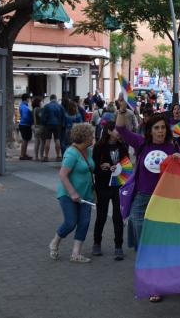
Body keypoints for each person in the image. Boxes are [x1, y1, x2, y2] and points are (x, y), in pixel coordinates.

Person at [116, 104, 179, 303]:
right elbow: (121, 130)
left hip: (164, 200)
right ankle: (151, 275)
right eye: (156, 128)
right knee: (143, 240)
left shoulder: (173, 147)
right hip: (142, 199)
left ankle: (155, 284)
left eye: (163, 128)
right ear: (150, 131)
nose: (160, 131)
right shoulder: (142, 144)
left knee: (156, 243)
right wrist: (121, 111)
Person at [48, 123, 96, 263]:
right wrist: (73, 192)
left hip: (86, 194)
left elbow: (90, 168)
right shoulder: (71, 153)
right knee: (70, 222)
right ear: (85, 137)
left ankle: (76, 253)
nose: (93, 137)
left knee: (84, 222)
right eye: (91, 135)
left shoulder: (88, 150)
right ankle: (55, 242)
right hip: (69, 194)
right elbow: (63, 174)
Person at [91, 121, 128, 260]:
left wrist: (117, 167)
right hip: (103, 186)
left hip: (118, 186)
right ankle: (97, 243)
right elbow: (95, 169)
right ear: (109, 131)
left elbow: (127, 165)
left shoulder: (122, 146)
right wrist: (104, 168)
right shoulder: (99, 147)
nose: (119, 132)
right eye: (117, 130)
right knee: (101, 215)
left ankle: (118, 246)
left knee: (118, 217)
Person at [42, 94, 65, 161]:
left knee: (48, 140)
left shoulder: (46, 106)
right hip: (58, 124)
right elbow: (63, 116)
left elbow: (43, 117)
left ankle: (46, 156)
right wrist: (62, 125)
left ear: (50, 99)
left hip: (48, 124)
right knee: (57, 139)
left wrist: (43, 124)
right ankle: (58, 156)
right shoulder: (60, 106)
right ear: (56, 98)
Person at [18, 93, 33, 160]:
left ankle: (24, 153)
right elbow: (25, 117)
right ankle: (22, 155)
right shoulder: (24, 107)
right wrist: (31, 121)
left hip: (24, 124)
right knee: (24, 140)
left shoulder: (23, 105)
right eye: (29, 98)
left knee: (26, 140)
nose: (29, 100)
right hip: (25, 125)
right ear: (27, 99)